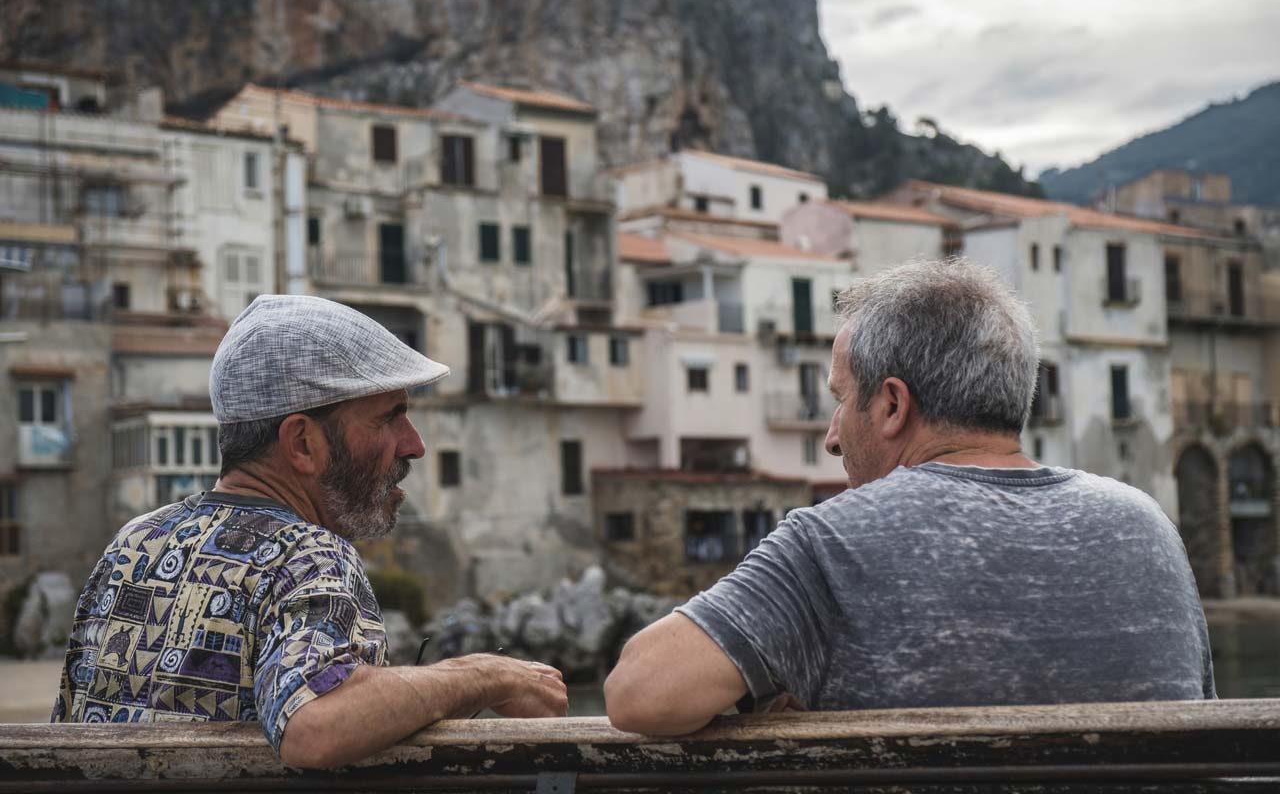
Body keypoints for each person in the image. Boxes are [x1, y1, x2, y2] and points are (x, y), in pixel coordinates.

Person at [604, 259, 1215, 735]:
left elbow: (638, 693)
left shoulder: (834, 541)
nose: (831, 437)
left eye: (842, 399)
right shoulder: (1147, 525)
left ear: (893, 405)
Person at [52, 295, 568, 768]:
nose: (414, 445)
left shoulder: (136, 541)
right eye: (389, 418)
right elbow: (315, 724)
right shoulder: (305, 553)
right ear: (301, 442)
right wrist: (484, 675)